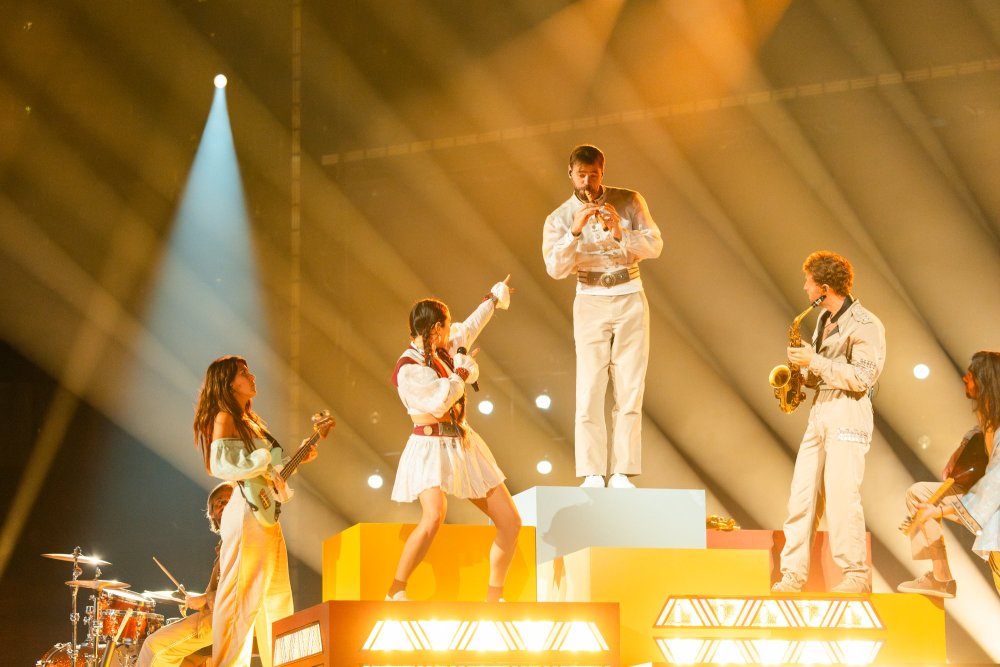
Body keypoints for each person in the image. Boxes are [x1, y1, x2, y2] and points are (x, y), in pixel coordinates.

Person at [387, 277, 522, 603]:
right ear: (433, 329)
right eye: (445, 328)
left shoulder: (443, 346)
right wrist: (460, 373)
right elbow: (438, 402)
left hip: (461, 442)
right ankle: (396, 590)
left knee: (510, 521)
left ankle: (494, 596)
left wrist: (492, 298)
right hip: (429, 446)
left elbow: (470, 326)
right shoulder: (409, 369)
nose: (451, 333)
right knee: (434, 515)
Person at [193, 356, 328, 667]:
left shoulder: (251, 421)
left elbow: (271, 469)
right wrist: (264, 461)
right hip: (244, 513)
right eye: (244, 373)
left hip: (264, 514)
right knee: (240, 599)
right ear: (229, 383)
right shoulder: (225, 416)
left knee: (276, 600)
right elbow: (219, 465)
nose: (252, 376)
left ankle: (282, 663)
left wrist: (296, 458)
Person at [542, 144, 663, 489]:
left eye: (593, 175)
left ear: (602, 171)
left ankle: (622, 471)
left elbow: (655, 245)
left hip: (629, 295)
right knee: (591, 386)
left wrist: (621, 232)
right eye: (581, 175)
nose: (587, 182)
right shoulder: (559, 217)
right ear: (570, 174)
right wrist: (575, 232)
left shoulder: (629, 201)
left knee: (630, 386)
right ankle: (593, 471)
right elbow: (555, 268)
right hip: (590, 298)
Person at [771, 251, 886, 594]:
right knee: (801, 498)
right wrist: (802, 371)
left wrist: (815, 361)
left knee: (841, 496)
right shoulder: (824, 320)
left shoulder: (866, 325)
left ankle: (855, 575)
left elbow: (862, 378)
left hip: (849, 413)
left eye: (808, 281)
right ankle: (792, 574)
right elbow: (825, 372)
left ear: (823, 288)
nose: (804, 287)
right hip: (821, 410)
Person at [898, 350, 1000, 598]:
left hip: (992, 506)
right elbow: (977, 431)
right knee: (919, 494)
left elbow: (994, 487)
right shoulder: (989, 420)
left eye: (971, 374)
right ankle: (941, 578)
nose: (965, 378)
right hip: (986, 504)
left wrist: (940, 511)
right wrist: (960, 450)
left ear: (986, 381)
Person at [137, 482, 234, 667]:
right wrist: (203, 599)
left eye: (230, 501)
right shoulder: (225, 543)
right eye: (219, 502)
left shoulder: (238, 538)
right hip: (217, 617)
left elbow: (238, 589)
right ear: (211, 513)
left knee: (154, 647)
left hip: (222, 620)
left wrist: (205, 599)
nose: (224, 505)